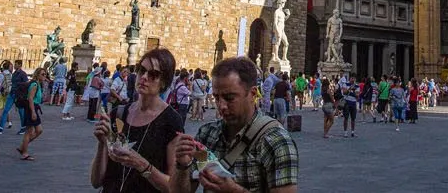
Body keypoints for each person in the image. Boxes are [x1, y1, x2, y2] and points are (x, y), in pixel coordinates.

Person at [166, 56, 298, 193]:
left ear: (253, 94)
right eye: (217, 98)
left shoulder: (276, 142)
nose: (221, 106)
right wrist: (182, 165)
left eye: (230, 98)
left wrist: (234, 190)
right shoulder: (207, 133)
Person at [91, 47, 186, 192]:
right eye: (141, 70)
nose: (144, 77)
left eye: (153, 74)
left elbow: (173, 187)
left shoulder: (171, 121)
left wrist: (140, 164)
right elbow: (96, 181)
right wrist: (102, 143)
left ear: (164, 82)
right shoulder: (118, 114)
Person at [18, 67, 47, 160]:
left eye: (45, 74)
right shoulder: (34, 84)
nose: (44, 76)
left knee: (39, 130)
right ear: (37, 75)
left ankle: (23, 147)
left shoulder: (38, 84)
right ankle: (24, 153)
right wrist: (33, 111)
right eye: (42, 74)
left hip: (34, 108)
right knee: (29, 131)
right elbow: (30, 98)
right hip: (31, 108)